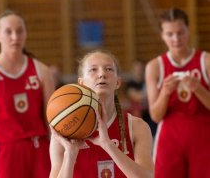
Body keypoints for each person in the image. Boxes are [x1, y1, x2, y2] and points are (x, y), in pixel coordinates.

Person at [0, 10, 55, 178]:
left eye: (20, 30)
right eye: (8, 31)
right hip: (3, 151)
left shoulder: (42, 71)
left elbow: (52, 121)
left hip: (39, 149)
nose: (15, 37)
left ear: (26, 33)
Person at [49, 50, 154, 178]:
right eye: (93, 70)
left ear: (118, 82)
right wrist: (70, 154)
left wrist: (108, 145)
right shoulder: (65, 129)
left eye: (109, 69)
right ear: (81, 83)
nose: (102, 74)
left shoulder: (137, 127)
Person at [145, 8, 210, 177]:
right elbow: (155, 116)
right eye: (170, 34)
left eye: (180, 32)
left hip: (204, 139)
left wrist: (199, 89)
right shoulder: (154, 67)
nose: (176, 39)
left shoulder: (206, 61)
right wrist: (165, 92)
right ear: (162, 35)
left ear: (188, 30)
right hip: (170, 141)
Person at [125, 60, 157, 137]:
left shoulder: (147, 81)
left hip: (148, 110)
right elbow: (136, 97)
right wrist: (148, 94)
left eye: (140, 69)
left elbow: (154, 95)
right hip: (136, 112)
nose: (139, 71)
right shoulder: (130, 83)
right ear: (133, 70)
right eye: (137, 69)